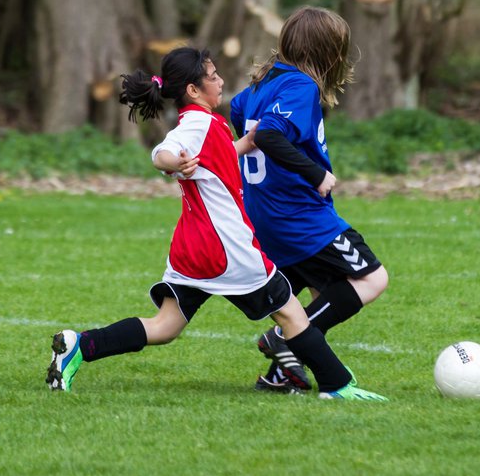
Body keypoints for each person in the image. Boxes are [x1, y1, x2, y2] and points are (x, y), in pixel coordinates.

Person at [46, 45, 385, 401]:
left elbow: (217, 157)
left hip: (191, 248)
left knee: (165, 326)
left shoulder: (209, 126)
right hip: (227, 248)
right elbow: (162, 152)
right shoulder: (198, 124)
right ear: (193, 90)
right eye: (212, 76)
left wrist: (248, 141)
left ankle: (80, 346)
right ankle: (337, 385)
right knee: (292, 315)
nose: (220, 80)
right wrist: (171, 162)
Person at [229, 6, 390, 393]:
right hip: (300, 218)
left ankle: (283, 375)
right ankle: (286, 339)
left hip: (267, 215)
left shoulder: (258, 86)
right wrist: (316, 174)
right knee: (371, 278)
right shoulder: (301, 85)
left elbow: (239, 114)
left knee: (325, 290)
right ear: (329, 54)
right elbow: (268, 136)